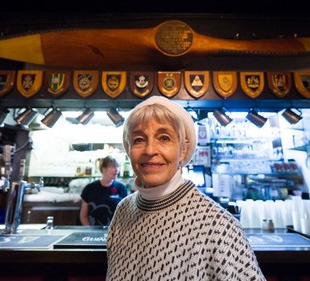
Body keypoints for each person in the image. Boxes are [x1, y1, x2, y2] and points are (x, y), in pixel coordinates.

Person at [106, 96, 266, 281]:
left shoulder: (219, 226)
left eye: (164, 138)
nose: (150, 150)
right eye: (139, 139)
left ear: (182, 150)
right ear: (129, 148)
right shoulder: (123, 210)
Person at [80, 156, 128, 227]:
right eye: (113, 167)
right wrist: (89, 231)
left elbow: (126, 215)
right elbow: (83, 216)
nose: (117, 170)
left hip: (115, 233)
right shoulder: (90, 188)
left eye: (118, 167)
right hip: (93, 233)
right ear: (104, 169)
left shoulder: (121, 188)